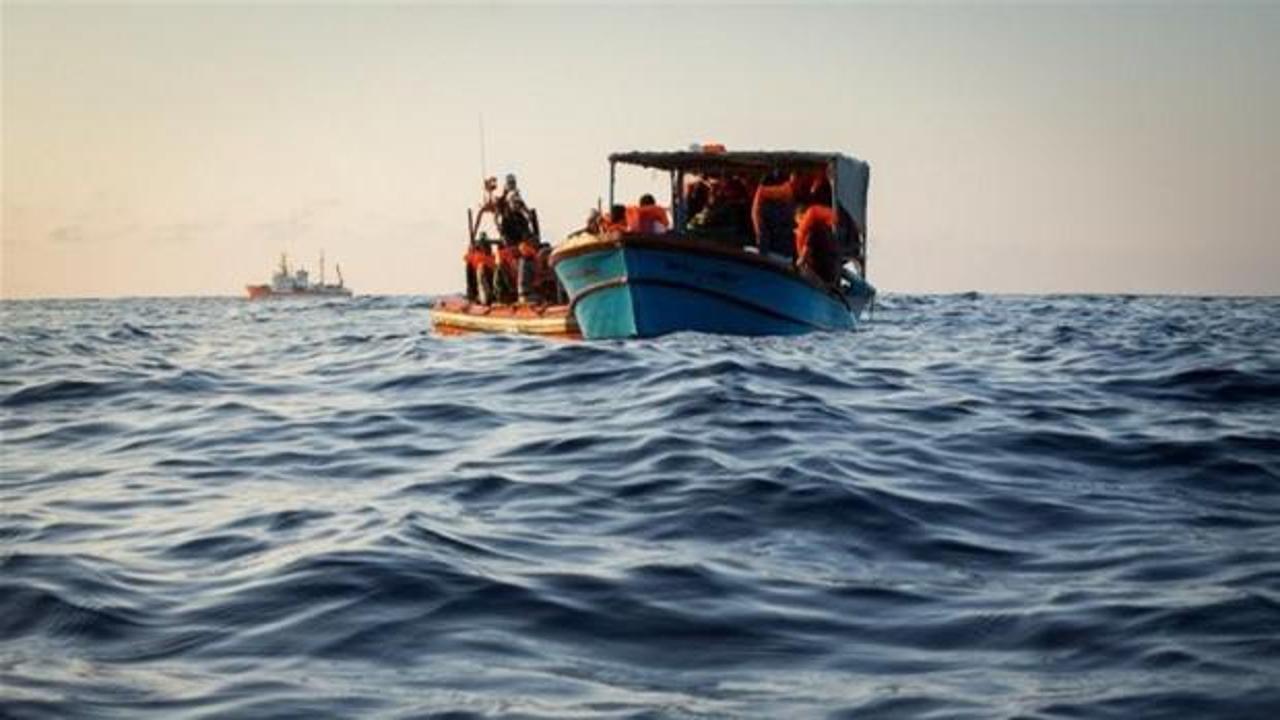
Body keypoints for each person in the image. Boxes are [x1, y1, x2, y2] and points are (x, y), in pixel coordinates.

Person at [795, 180, 841, 285]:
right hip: (831, 271)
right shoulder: (824, 228)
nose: (799, 226)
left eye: (799, 221)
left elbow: (804, 256)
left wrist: (794, 267)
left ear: (803, 217)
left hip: (822, 274)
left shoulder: (812, 232)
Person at [751, 170, 796, 260]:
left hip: (775, 253)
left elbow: (762, 233)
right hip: (783, 252)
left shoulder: (762, 204)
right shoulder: (786, 201)